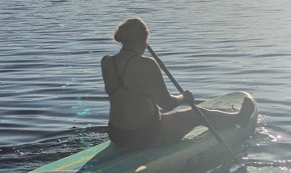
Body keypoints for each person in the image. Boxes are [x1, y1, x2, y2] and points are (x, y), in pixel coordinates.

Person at [101, 16, 254, 152]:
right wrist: (184, 98)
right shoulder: (147, 64)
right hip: (145, 136)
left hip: (117, 135)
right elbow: (166, 103)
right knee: (196, 113)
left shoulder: (107, 62)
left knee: (164, 115)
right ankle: (238, 119)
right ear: (144, 41)